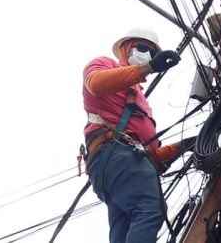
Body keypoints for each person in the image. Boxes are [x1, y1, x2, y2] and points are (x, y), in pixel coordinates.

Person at [82, 26, 192, 243]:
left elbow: (148, 151)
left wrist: (182, 146)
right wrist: (149, 67)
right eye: (141, 48)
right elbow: (95, 84)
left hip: (118, 163)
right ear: (125, 47)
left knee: (124, 230)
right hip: (117, 155)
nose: (147, 55)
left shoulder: (137, 93)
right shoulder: (105, 64)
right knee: (149, 210)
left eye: (152, 53)